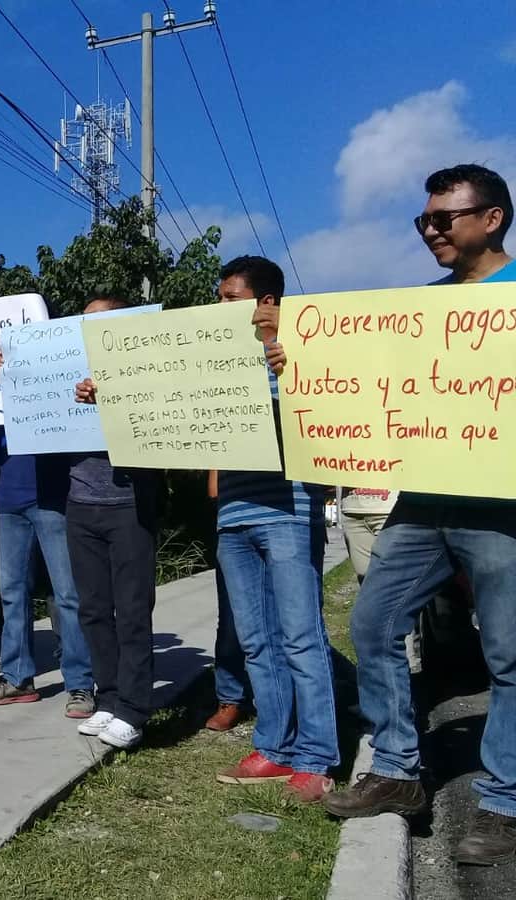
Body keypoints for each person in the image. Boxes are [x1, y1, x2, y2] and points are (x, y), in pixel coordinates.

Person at [325, 164, 516, 865]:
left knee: (508, 653)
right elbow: (361, 385)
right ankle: (399, 772)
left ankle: (505, 804)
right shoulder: (421, 306)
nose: (431, 229)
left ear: (491, 218)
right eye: (423, 221)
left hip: (501, 506)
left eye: (444, 218)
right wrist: (293, 360)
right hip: (425, 498)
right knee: (372, 620)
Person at [208, 256, 338, 802]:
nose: (219, 308)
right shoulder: (207, 358)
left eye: (230, 297)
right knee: (257, 641)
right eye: (217, 298)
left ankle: (316, 756)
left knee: (300, 638)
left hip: (288, 509)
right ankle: (273, 747)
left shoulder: (305, 351)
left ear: (266, 302)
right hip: (233, 512)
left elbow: (326, 411)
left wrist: (286, 368)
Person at [0, 355, 94, 720]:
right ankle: (17, 678)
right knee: (12, 594)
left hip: (50, 498)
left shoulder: (52, 378)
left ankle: (81, 684)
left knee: (67, 594)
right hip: (7, 501)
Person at [69, 294, 160, 750]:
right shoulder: (65, 364)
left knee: (132, 608)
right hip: (80, 502)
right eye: (84, 322)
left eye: (100, 321)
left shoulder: (146, 365)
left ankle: (133, 709)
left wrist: (114, 396)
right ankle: (107, 697)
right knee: (93, 609)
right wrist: (14, 367)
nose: (91, 328)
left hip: (128, 503)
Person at [205, 470, 253, 732]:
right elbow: (214, 489)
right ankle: (230, 698)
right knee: (231, 623)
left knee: (294, 625)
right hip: (234, 521)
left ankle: (298, 698)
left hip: (288, 517)